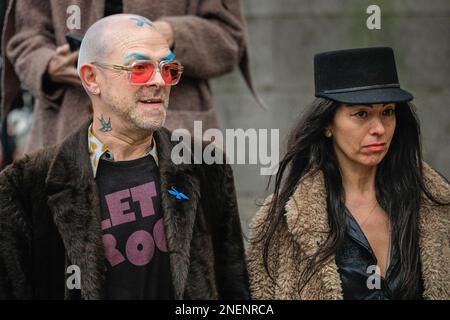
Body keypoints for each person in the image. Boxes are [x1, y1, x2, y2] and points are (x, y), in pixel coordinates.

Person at [0, 14, 249, 300]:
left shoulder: (206, 165)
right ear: (92, 78)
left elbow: (234, 287)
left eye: (168, 69)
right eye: (140, 68)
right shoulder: (24, 187)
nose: (159, 81)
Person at [247, 47, 450, 300]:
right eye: (361, 114)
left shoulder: (435, 205)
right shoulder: (282, 220)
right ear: (328, 125)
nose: (379, 128)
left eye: (387, 112)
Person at [1, 0, 259, 155]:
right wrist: (47, 65)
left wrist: (168, 34)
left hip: (174, 136)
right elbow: (25, 37)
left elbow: (229, 38)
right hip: (66, 131)